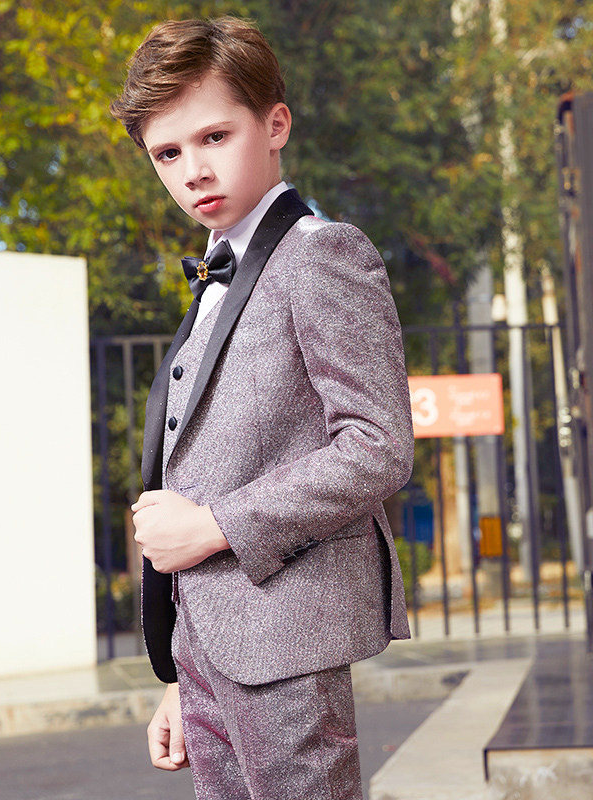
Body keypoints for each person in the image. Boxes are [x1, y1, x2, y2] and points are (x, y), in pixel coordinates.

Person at [110, 16, 414, 800]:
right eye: (167, 154)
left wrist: (215, 525)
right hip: (209, 647)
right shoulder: (221, 273)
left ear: (275, 125)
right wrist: (180, 674)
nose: (193, 171)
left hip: (285, 635)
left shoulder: (320, 253)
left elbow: (377, 445)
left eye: (214, 136)